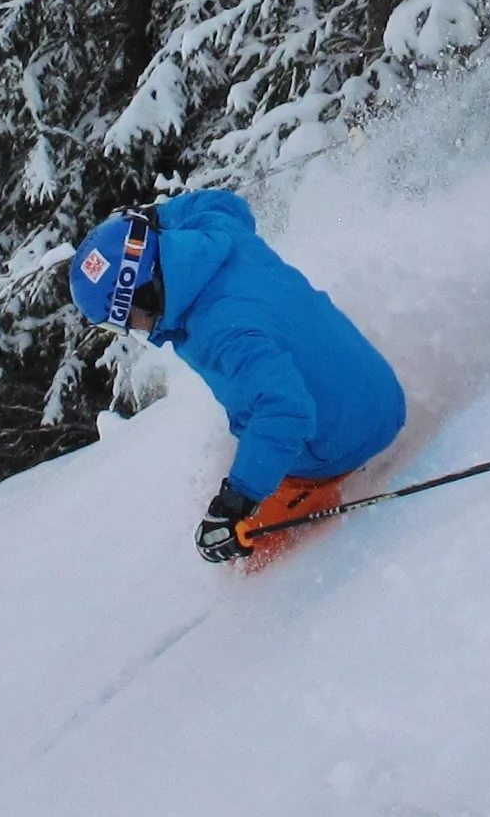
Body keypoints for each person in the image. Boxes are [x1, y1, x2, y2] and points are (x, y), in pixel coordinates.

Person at [71, 188, 406, 565]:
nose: (133, 330)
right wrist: (156, 216)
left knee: (238, 550)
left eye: (122, 320)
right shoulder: (214, 231)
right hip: (383, 393)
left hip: (342, 443)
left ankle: (306, 542)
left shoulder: (218, 330)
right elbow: (225, 204)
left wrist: (235, 504)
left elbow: (286, 409)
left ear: (145, 294)